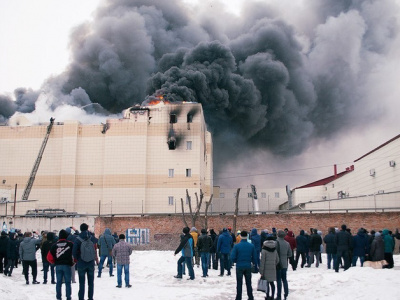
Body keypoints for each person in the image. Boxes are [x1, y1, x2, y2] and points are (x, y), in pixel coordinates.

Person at [47, 229, 74, 300]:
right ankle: (68, 297)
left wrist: (54, 262)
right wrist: (74, 261)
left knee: (58, 282)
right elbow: (75, 253)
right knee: (68, 282)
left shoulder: (54, 245)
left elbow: (49, 257)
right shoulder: (70, 244)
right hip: (67, 265)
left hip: (58, 266)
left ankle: (58, 297)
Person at [72, 223, 97, 300]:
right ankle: (90, 297)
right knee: (91, 283)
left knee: (82, 283)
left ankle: (81, 297)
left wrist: (76, 259)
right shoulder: (91, 237)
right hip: (91, 262)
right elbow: (96, 241)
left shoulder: (78, 239)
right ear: (87, 228)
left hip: (81, 262)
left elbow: (74, 251)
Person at [230, 230, 257, 300]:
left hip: (239, 266)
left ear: (241, 236)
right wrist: (254, 263)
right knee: (248, 283)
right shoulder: (251, 246)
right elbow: (255, 257)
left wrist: (236, 261)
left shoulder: (237, 246)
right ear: (247, 236)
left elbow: (232, 257)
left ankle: (239, 297)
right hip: (248, 265)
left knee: (239, 283)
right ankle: (250, 297)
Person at [260, 235, 279, 300]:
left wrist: (261, 271)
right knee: (272, 283)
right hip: (273, 268)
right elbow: (277, 260)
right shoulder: (275, 249)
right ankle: (273, 295)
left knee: (267, 283)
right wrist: (274, 264)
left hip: (266, 269)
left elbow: (262, 261)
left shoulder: (264, 250)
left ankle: (267, 296)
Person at [275, 230, 292, 300]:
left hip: (278, 264)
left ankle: (279, 295)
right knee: (284, 279)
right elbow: (290, 254)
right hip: (285, 264)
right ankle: (286, 293)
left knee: (278, 280)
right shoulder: (287, 244)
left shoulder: (275, 243)